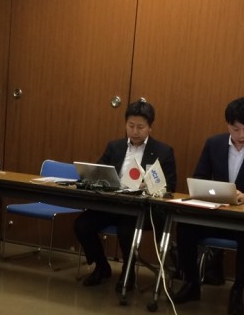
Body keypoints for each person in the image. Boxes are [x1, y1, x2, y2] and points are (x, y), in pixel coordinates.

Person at [173, 97, 244, 315]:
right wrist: (212, 192)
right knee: (185, 228)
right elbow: (200, 177)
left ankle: (237, 290)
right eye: (235, 129)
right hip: (215, 214)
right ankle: (192, 283)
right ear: (228, 125)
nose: (241, 135)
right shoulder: (214, 144)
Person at [75, 99, 177, 290]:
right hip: (113, 204)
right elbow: (99, 171)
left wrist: (149, 185)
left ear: (150, 127)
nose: (135, 131)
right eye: (131, 126)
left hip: (141, 210)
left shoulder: (163, 151)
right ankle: (101, 266)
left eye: (140, 127)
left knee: (126, 230)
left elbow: (170, 186)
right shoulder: (115, 147)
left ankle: (128, 272)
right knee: (83, 225)